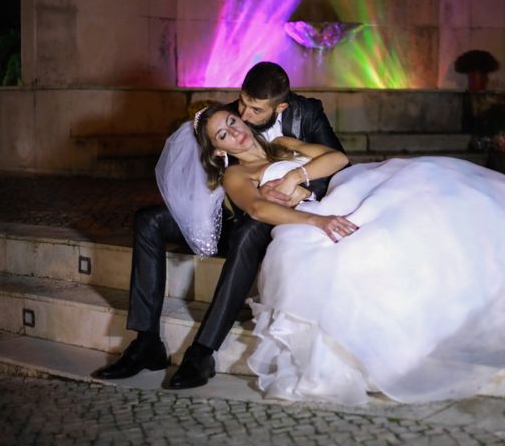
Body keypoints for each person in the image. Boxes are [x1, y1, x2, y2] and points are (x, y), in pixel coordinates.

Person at [194, 103, 505, 405]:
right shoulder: (237, 174)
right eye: (223, 133)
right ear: (218, 149)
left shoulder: (284, 145)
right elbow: (257, 208)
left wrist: (296, 176)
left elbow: (337, 159)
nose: (236, 130)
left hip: (346, 189)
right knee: (379, 240)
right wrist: (316, 221)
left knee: (430, 173)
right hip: (312, 219)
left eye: (233, 120)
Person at [93, 62, 345, 389]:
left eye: (254, 110)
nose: (243, 116)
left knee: (249, 231)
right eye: (240, 105)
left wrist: (299, 185)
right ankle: (146, 342)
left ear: (280, 107)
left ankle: (202, 351)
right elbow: (211, 174)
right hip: (232, 209)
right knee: (148, 219)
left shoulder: (302, 118)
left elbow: (338, 161)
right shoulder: (226, 120)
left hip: (271, 217)